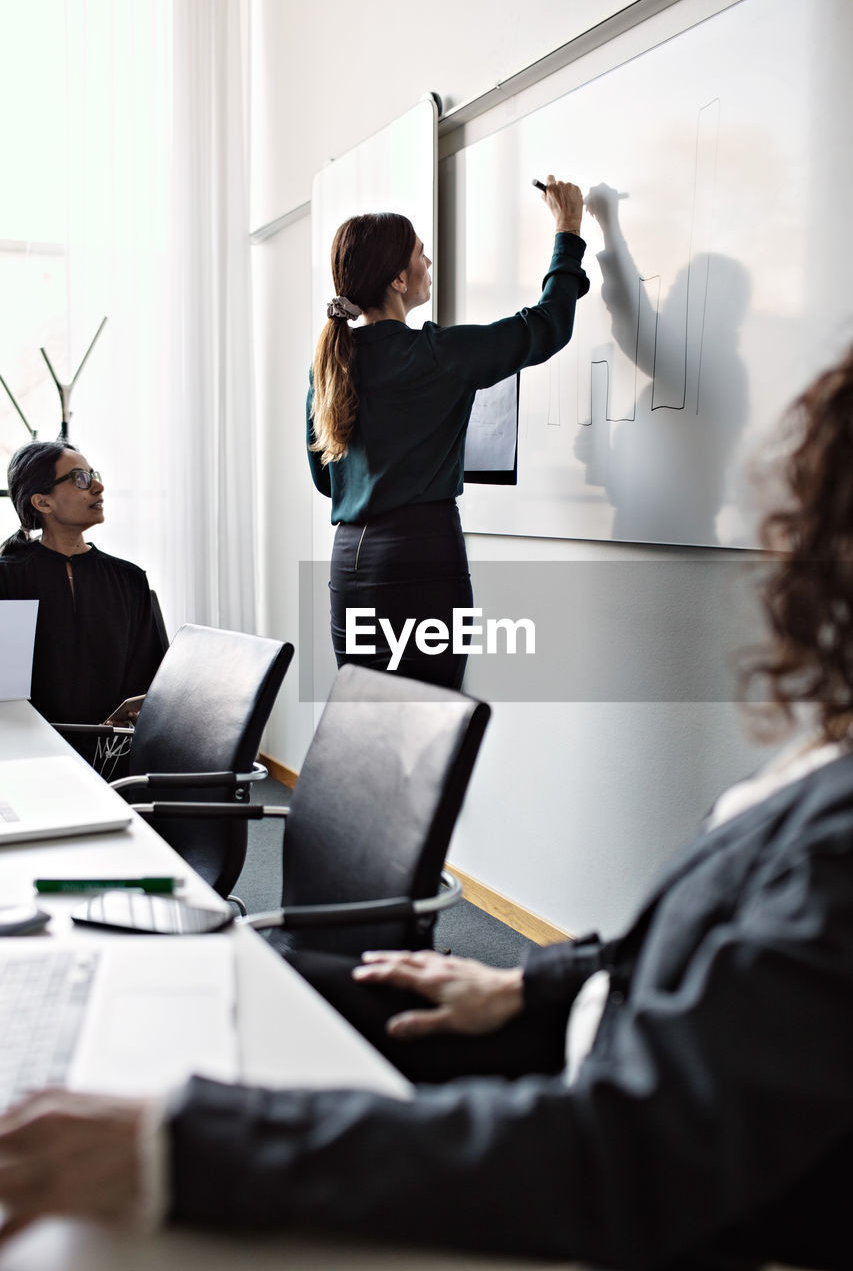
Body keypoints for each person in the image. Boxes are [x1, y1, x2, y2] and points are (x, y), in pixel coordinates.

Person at [4, 347, 853, 1268]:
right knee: (174, 1010)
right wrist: (533, 981)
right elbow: (721, 944)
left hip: (605, 1136)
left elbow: (638, 1150)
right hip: (574, 1024)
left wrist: (184, 1149)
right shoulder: (822, 761)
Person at [308, 176, 589, 688]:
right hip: (418, 561)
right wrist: (567, 229)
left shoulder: (330, 366)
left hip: (349, 563)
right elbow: (550, 325)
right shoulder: (436, 355)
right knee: (429, 728)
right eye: (420, 253)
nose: (428, 263)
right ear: (398, 278)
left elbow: (327, 481)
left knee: (368, 729)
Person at [0, 441, 166, 747]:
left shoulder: (129, 579)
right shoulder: (6, 577)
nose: (98, 487)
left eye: (93, 475)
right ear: (42, 502)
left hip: (114, 751)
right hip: (27, 746)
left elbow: (151, 678)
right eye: (81, 479)